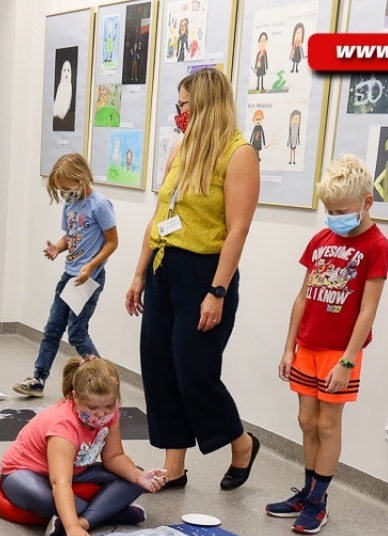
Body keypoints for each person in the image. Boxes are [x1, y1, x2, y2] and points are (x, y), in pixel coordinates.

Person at [124, 67, 262, 492]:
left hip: (205, 274)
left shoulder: (239, 153)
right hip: (165, 267)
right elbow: (161, 214)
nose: (179, 113)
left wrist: (217, 291)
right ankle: (175, 465)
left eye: (184, 105)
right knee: (159, 366)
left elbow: (237, 229)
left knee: (194, 370)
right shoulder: (182, 149)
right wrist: (139, 273)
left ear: (204, 105)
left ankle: (240, 443)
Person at [269, 155, 388, 535]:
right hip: (307, 346)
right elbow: (303, 297)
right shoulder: (321, 240)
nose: (333, 216)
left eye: (340, 210)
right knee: (306, 421)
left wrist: (348, 361)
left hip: (339, 354)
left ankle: (319, 502)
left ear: (366, 203)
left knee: (327, 424)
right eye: (328, 210)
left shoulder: (377, 246)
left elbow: (368, 310)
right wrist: (289, 347)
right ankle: (306, 492)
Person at [0, 357, 165, 536]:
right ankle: (110, 512)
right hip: (24, 472)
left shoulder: (109, 414)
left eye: (109, 406)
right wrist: (72, 529)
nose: (101, 414)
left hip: (76, 469)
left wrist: (140, 477)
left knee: (134, 478)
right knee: (44, 499)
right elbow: (60, 482)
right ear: (75, 397)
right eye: (92, 408)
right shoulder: (64, 425)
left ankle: (85, 520)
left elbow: (114, 457)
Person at [15, 153, 119, 398]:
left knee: (77, 333)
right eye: (60, 190)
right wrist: (57, 248)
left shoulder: (100, 205)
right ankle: (38, 380)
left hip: (88, 279)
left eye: (66, 188)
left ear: (81, 178)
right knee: (52, 329)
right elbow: (70, 236)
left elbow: (112, 242)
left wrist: (92, 266)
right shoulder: (71, 205)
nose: (64, 193)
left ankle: (107, 381)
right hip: (69, 276)